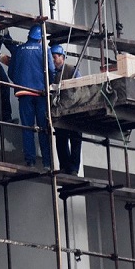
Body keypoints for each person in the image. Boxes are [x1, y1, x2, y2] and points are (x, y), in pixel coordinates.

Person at [7, 24, 55, 168]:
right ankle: (47, 163)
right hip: (40, 94)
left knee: (27, 127)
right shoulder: (44, 50)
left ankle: (30, 161)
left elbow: (11, 72)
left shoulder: (19, 50)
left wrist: (20, 82)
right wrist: (47, 84)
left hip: (24, 94)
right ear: (40, 39)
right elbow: (51, 71)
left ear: (29, 36)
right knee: (43, 127)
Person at [51, 44, 82, 175]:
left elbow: (81, 87)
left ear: (62, 57)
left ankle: (73, 168)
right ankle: (65, 167)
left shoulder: (71, 70)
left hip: (73, 110)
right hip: (60, 111)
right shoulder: (51, 73)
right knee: (61, 139)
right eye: (51, 57)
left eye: (55, 57)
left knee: (75, 139)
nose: (53, 60)